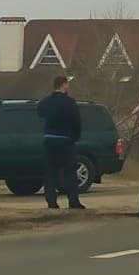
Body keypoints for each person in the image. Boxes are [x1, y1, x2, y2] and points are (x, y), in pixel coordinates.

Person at [37, 76, 85, 210]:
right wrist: (75, 137)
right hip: (65, 139)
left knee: (50, 171)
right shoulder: (69, 102)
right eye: (67, 84)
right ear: (64, 85)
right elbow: (77, 121)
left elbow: (39, 112)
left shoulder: (46, 101)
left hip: (49, 139)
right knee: (70, 172)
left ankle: (51, 201)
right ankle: (73, 201)